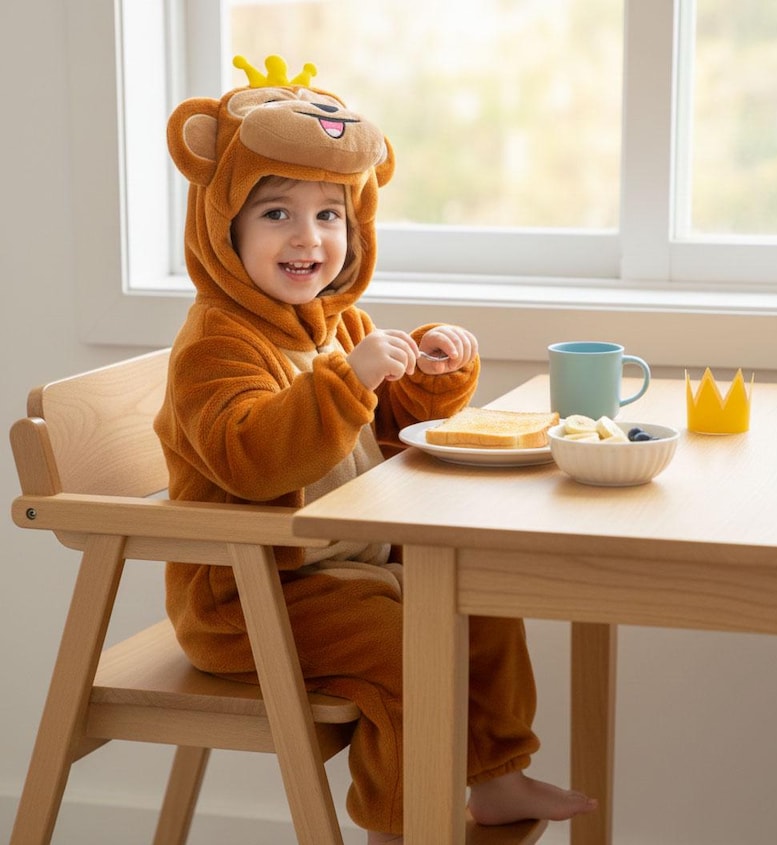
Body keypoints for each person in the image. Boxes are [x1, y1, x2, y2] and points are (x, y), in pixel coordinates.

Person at [155, 54, 597, 843]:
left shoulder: (337, 324)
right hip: (251, 592)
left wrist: (429, 374)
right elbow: (252, 456)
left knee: (479, 590)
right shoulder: (215, 346)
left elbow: (385, 435)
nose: (308, 237)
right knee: (407, 648)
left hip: (345, 566)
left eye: (330, 215)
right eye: (276, 214)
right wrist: (342, 382)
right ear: (222, 228)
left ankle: (494, 777)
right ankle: (405, 825)